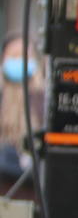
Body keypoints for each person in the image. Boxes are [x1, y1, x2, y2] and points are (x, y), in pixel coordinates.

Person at [0, 33, 42, 199]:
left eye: (24, 56)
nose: (19, 61)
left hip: (32, 186)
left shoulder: (43, 95)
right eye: (14, 56)